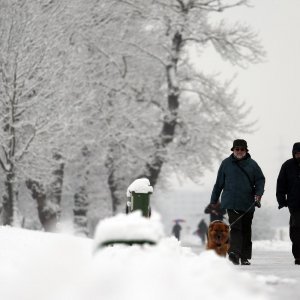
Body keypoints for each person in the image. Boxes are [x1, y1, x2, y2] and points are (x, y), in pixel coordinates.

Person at [209, 139, 265, 265]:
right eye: (237, 149)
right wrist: (213, 200)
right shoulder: (226, 164)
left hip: (248, 202)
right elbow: (219, 184)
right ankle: (234, 253)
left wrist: (259, 194)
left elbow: (260, 180)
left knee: (246, 229)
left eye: (242, 149)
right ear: (233, 150)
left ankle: (244, 257)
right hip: (231, 202)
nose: (239, 151)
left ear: (246, 150)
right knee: (235, 228)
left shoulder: (253, 165)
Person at [276, 142, 300, 265]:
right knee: (296, 230)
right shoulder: (287, 165)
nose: (299, 155)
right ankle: (298, 256)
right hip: (295, 204)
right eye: (297, 153)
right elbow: (281, 184)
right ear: (293, 153)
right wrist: (281, 200)